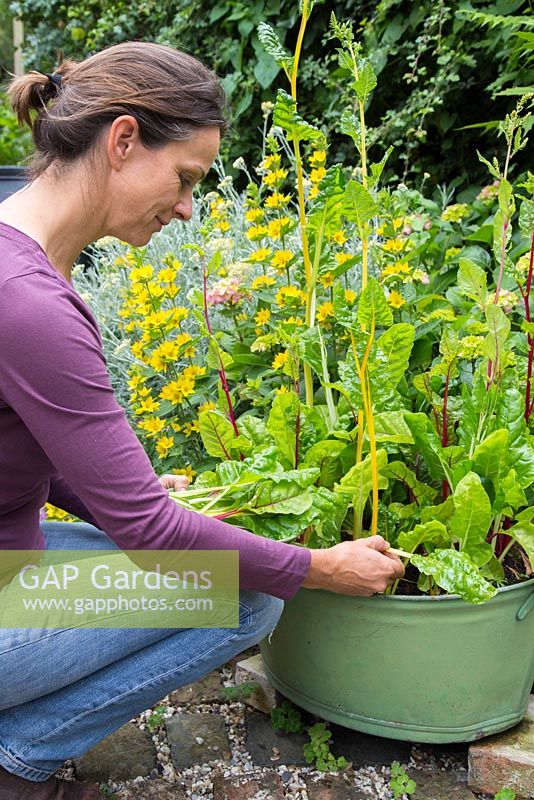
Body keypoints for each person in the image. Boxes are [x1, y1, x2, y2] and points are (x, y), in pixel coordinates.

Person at [0, 42, 404, 800]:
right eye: (184, 177)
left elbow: (25, 454)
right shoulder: (31, 305)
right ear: (122, 141)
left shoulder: (14, 258)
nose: (187, 205)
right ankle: (17, 762)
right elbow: (151, 534)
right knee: (248, 594)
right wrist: (320, 568)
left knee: (208, 561)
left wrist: (130, 497)